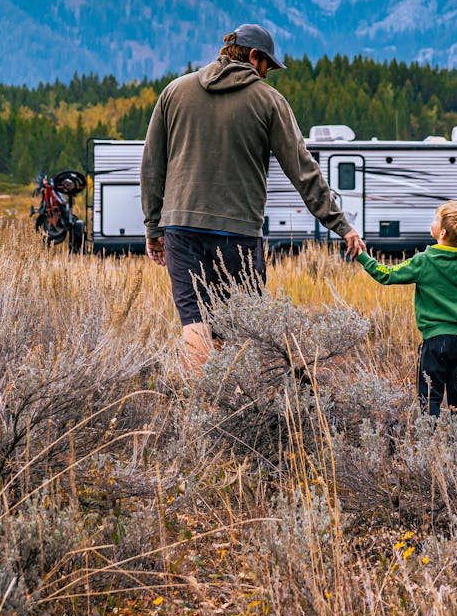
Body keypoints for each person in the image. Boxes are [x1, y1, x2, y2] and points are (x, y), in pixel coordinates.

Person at [141, 23, 366, 371]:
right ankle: (236, 402)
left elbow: (152, 164)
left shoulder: (174, 92)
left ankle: (202, 406)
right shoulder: (268, 101)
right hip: (238, 232)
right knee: (243, 323)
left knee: (194, 319)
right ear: (253, 56)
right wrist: (342, 226)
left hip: (181, 227)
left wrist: (153, 229)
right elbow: (303, 170)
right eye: (268, 66)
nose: (268, 75)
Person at [355, 201, 457, 422]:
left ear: (443, 232)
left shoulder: (424, 261)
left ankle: (431, 444)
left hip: (435, 342)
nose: (432, 223)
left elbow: (386, 275)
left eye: (436, 219)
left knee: (429, 398)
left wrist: (363, 256)